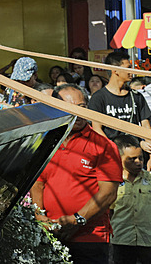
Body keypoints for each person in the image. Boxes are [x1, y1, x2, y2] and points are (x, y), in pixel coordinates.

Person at [31, 84, 122, 264]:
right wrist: (39, 216)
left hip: (90, 238)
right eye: (71, 107)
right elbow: (37, 184)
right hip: (50, 235)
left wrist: (78, 220)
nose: (79, 113)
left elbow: (108, 193)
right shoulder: (44, 142)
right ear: (54, 108)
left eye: (82, 107)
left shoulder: (103, 146)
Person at [89, 49, 151, 153]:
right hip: (111, 153)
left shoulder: (136, 96)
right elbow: (97, 129)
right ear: (115, 70)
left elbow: (146, 126)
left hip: (136, 153)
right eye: (128, 68)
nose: (132, 71)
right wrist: (113, 151)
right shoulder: (99, 98)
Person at [111, 135, 151, 264]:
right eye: (132, 159)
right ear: (119, 159)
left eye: (140, 158)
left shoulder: (149, 180)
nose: (138, 162)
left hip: (148, 241)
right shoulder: (112, 183)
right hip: (121, 240)